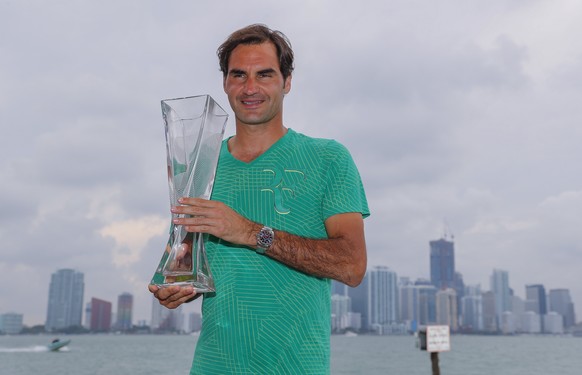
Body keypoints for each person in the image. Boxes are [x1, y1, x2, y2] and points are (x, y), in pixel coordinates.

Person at [149, 24, 370, 374]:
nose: (250, 88)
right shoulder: (199, 167)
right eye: (239, 75)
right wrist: (176, 286)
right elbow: (186, 260)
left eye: (264, 74)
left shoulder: (328, 158)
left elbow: (352, 265)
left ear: (287, 81)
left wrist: (250, 232)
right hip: (213, 365)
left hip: (296, 367)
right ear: (225, 83)